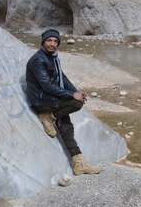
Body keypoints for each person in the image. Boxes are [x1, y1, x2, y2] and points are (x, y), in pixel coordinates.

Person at [26, 29, 101, 175]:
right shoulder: (38, 59)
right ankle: (48, 116)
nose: (52, 44)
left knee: (66, 127)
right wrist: (72, 96)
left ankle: (79, 163)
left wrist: (75, 91)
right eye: (49, 40)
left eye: (55, 41)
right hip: (41, 100)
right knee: (76, 103)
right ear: (43, 42)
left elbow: (63, 77)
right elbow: (46, 85)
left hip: (50, 97)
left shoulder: (53, 57)